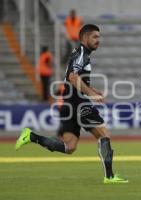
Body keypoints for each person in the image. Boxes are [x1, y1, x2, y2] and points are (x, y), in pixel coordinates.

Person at [15, 24, 128, 184]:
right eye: (95, 37)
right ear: (85, 37)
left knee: (69, 147)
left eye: (99, 37)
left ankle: (31, 136)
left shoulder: (80, 54)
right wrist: (90, 94)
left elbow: (74, 78)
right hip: (79, 104)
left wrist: (92, 90)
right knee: (104, 136)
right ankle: (109, 177)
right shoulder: (82, 54)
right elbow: (73, 77)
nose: (98, 40)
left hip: (69, 104)